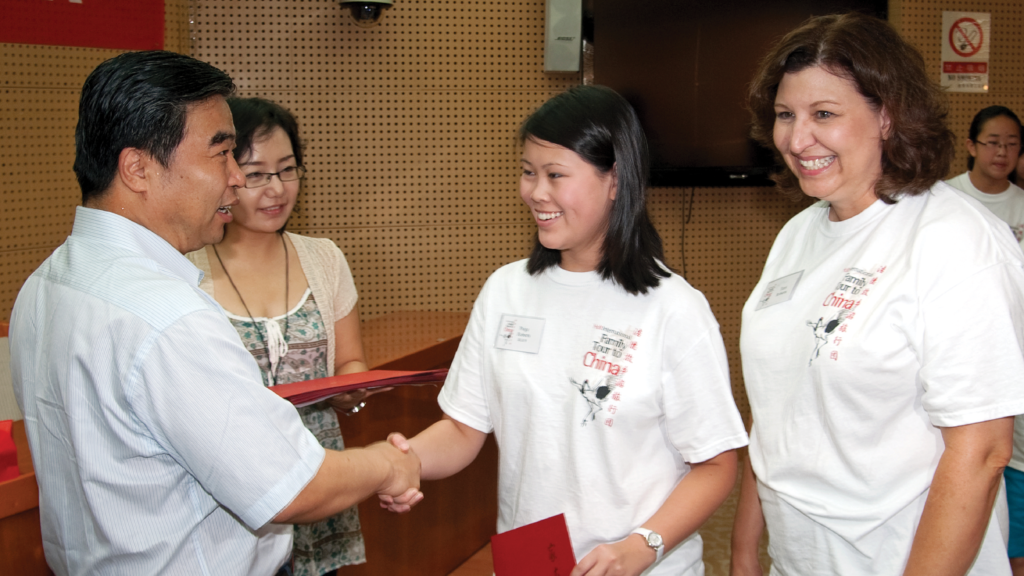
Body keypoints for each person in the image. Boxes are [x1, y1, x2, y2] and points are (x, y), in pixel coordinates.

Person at [9, 51, 420, 576]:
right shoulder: (167, 317)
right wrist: (389, 463)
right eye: (221, 154)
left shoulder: (45, 286)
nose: (235, 179)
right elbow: (289, 487)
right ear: (138, 168)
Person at [383, 85, 748, 576]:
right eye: (528, 172)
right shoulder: (505, 291)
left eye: (556, 174)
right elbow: (464, 428)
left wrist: (641, 547)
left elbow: (717, 464)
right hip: (531, 564)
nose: (536, 192)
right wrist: (405, 462)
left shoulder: (673, 309)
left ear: (615, 180)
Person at [731, 13, 1024, 576]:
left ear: (888, 116)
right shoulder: (799, 233)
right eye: (786, 115)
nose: (797, 138)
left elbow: (983, 452)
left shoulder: (955, 241)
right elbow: (775, 416)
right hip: (801, 555)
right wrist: (745, 554)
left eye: (824, 115)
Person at [187, 97, 374, 576]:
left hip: (320, 476)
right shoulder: (188, 270)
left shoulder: (325, 259)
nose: (275, 190)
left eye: (287, 170)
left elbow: (350, 361)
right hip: (233, 491)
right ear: (226, 176)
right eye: (255, 174)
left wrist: (351, 387)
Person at [945, 106, 1024, 250]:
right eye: (993, 143)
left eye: (1012, 144)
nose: (1002, 152)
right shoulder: (945, 194)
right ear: (972, 146)